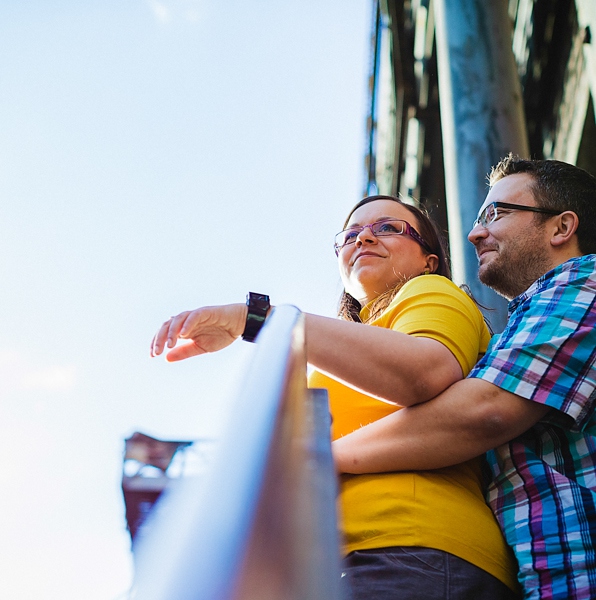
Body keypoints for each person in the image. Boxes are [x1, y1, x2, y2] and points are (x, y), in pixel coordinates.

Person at [151, 195, 520, 599]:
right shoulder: (339, 354)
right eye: (350, 235)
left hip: (412, 548)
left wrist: (253, 318)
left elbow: (424, 371)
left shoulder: (433, 291)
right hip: (343, 561)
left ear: (428, 260)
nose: (363, 238)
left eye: (388, 228)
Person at [332, 155, 596, 600]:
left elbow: (483, 412)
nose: (474, 233)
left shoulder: (585, 287)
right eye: (350, 234)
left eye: (496, 213)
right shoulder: (522, 323)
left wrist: (317, 457)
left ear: (561, 227)